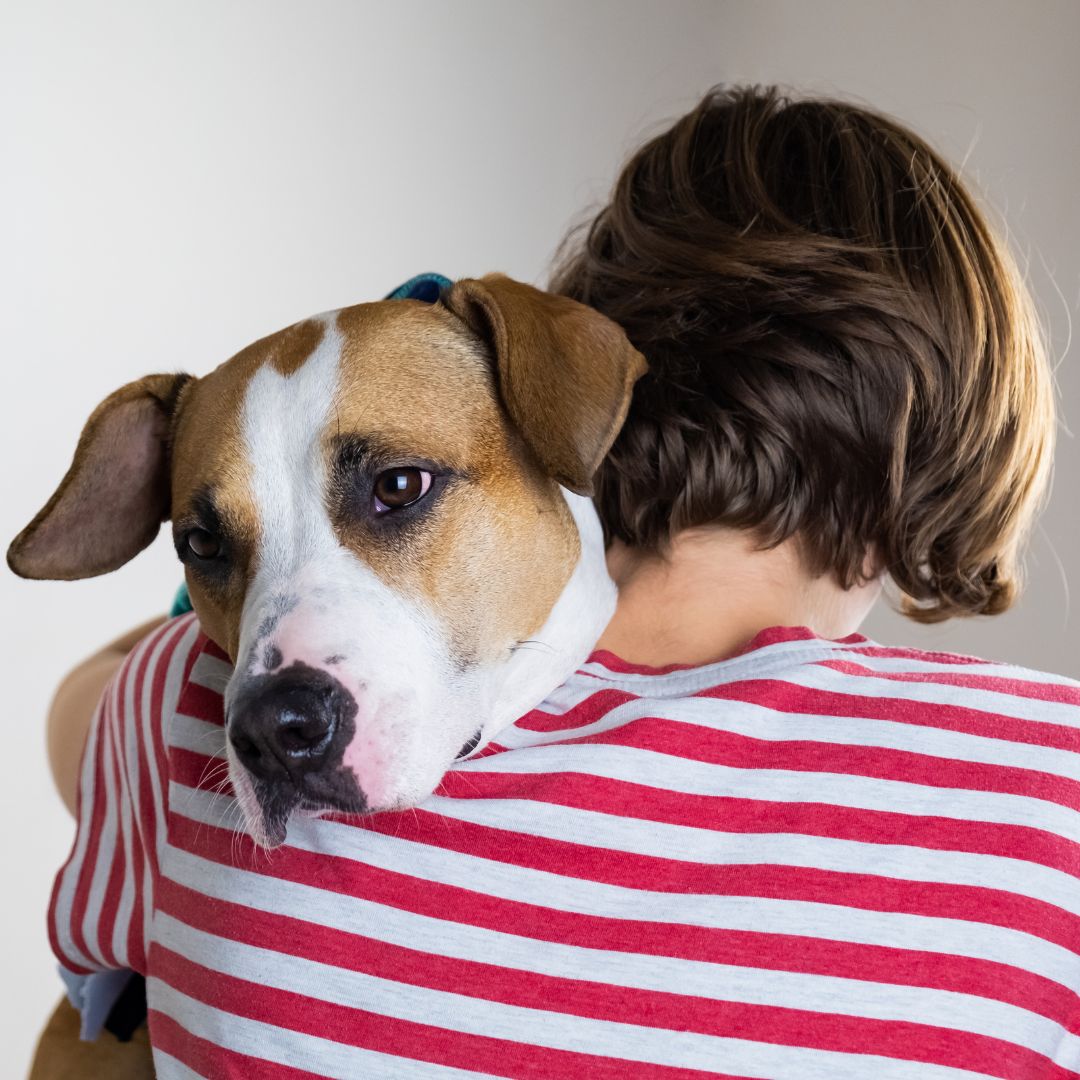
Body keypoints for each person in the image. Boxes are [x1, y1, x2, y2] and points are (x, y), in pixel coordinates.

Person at [32, 85, 1078, 1079]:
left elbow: (83, 730)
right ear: (949, 431)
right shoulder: (1051, 793)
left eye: (400, 487)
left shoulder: (170, 707)